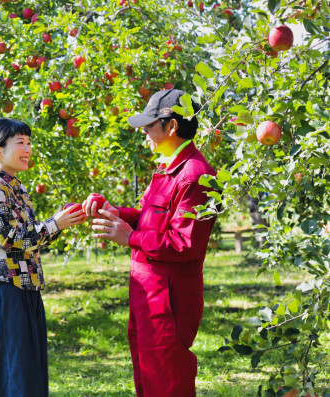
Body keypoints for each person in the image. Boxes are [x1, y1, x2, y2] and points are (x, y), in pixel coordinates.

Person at [85, 89, 217, 396]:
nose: (144, 131)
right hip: (148, 293)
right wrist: (115, 212)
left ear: (171, 126)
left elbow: (186, 243)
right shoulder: (168, 168)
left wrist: (129, 237)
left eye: (149, 124)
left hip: (169, 298)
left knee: (168, 382)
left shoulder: (194, 175)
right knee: (147, 378)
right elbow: (147, 215)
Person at [0, 118, 86, 397]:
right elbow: (9, 238)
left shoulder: (16, 187)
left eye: (29, 142)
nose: (28, 148)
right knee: (11, 376)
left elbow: (29, 241)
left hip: (27, 287)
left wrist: (60, 223)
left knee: (27, 373)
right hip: (6, 290)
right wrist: (54, 224)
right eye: (20, 142)